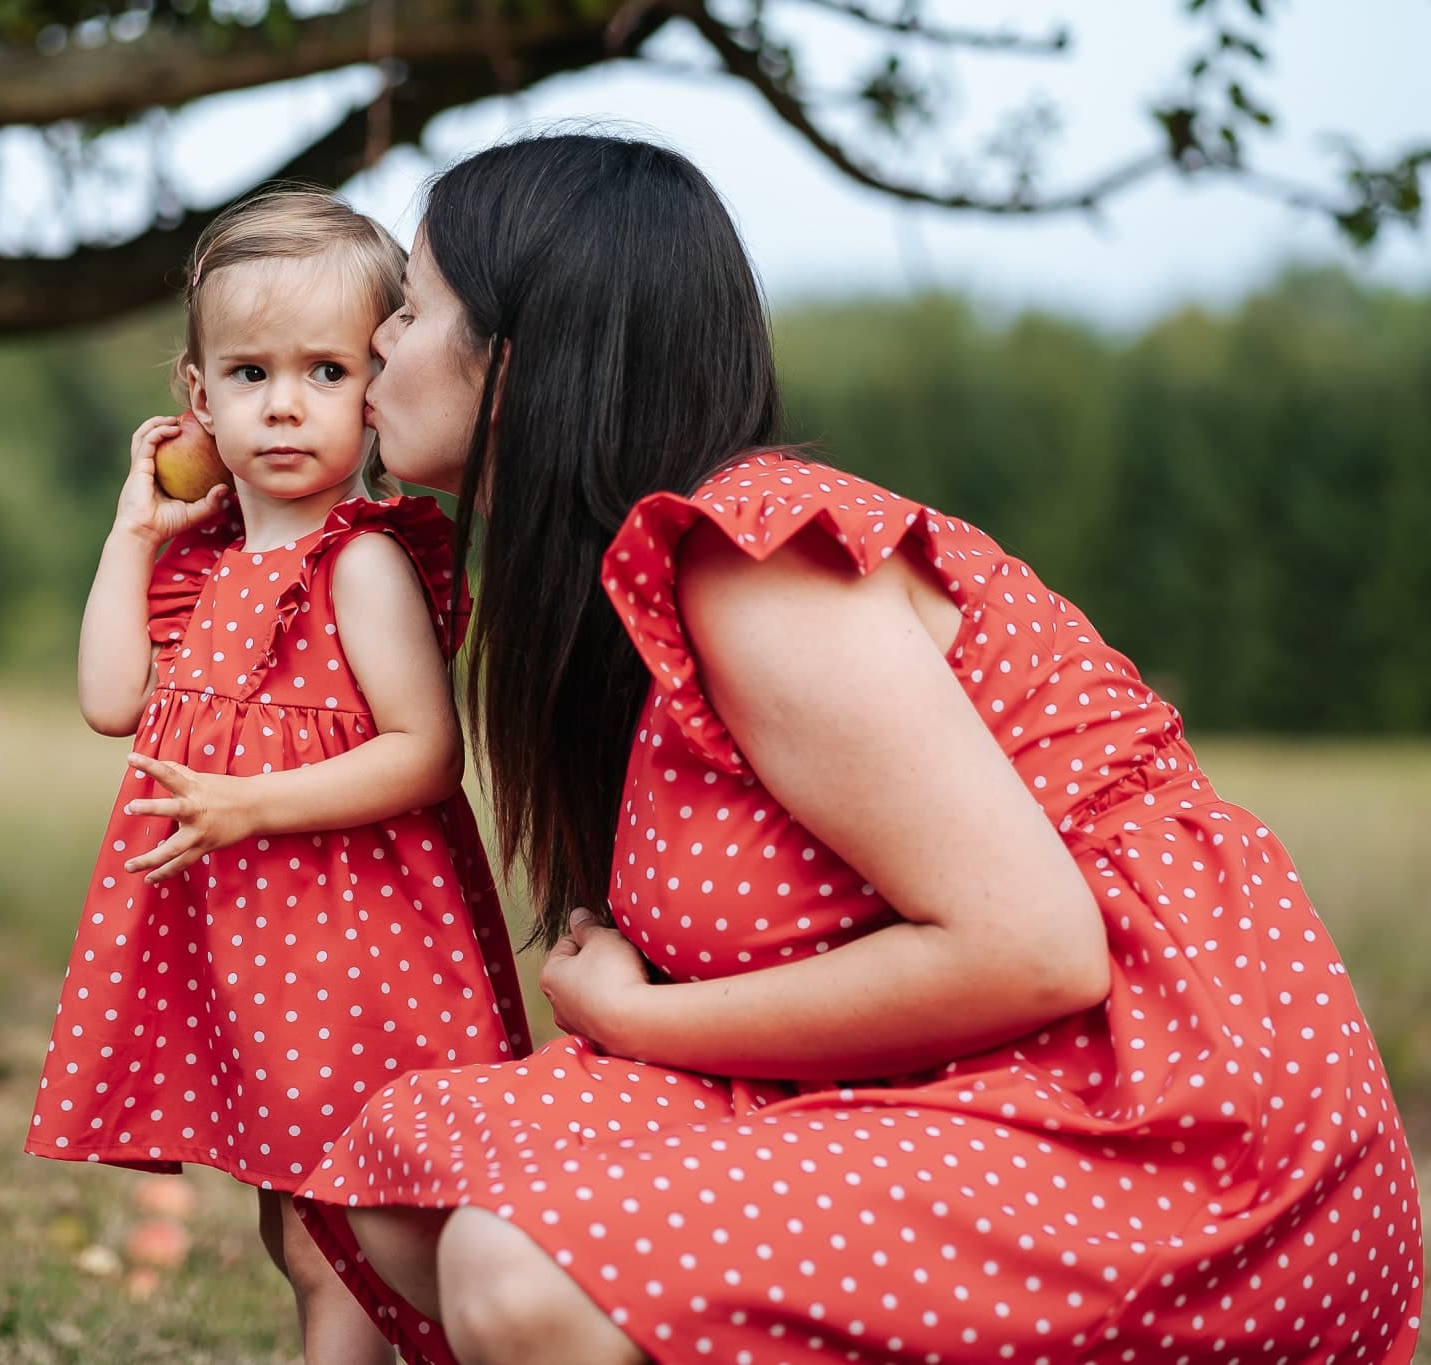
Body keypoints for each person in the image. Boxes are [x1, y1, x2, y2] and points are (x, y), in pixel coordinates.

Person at [292, 133, 1425, 1365]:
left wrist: (639, 1021)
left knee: (517, 1270)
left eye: (411, 308)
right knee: (408, 1167)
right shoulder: (632, 602)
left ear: (514, 359)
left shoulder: (754, 565)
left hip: (1162, 1117)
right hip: (957, 1076)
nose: (377, 342)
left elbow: (1034, 952)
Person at [26, 187, 532, 1363]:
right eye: (250, 374)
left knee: (337, 1234)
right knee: (289, 1223)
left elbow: (423, 752)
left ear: (377, 387)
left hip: (353, 945)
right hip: (248, 947)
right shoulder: (202, 566)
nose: (286, 405)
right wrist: (135, 532)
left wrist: (246, 805)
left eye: (326, 372)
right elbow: (110, 698)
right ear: (197, 398)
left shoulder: (359, 564)